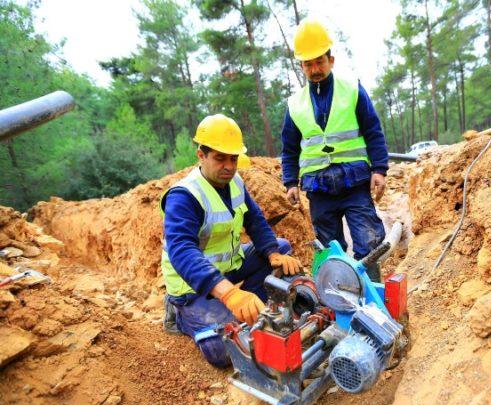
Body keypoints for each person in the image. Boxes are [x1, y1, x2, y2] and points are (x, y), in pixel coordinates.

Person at [161, 113, 303, 367]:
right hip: (192, 286)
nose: (228, 165)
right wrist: (228, 294)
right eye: (219, 158)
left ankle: (250, 304)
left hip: (228, 268)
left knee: (281, 248)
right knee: (224, 348)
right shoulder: (184, 196)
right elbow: (182, 251)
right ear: (201, 155)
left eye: (233, 158)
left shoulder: (234, 181)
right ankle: (179, 314)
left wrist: (272, 253)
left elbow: (255, 220)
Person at [281, 18, 388, 281]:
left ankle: (372, 299)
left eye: (319, 61)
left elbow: (372, 129)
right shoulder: (295, 105)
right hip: (319, 190)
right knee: (331, 251)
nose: (315, 68)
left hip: (354, 183)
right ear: (301, 66)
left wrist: (380, 169)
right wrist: (290, 182)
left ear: (331, 60)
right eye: (309, 64)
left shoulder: (351, 89)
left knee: (368, 244)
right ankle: (340, 298)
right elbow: (290, 147)